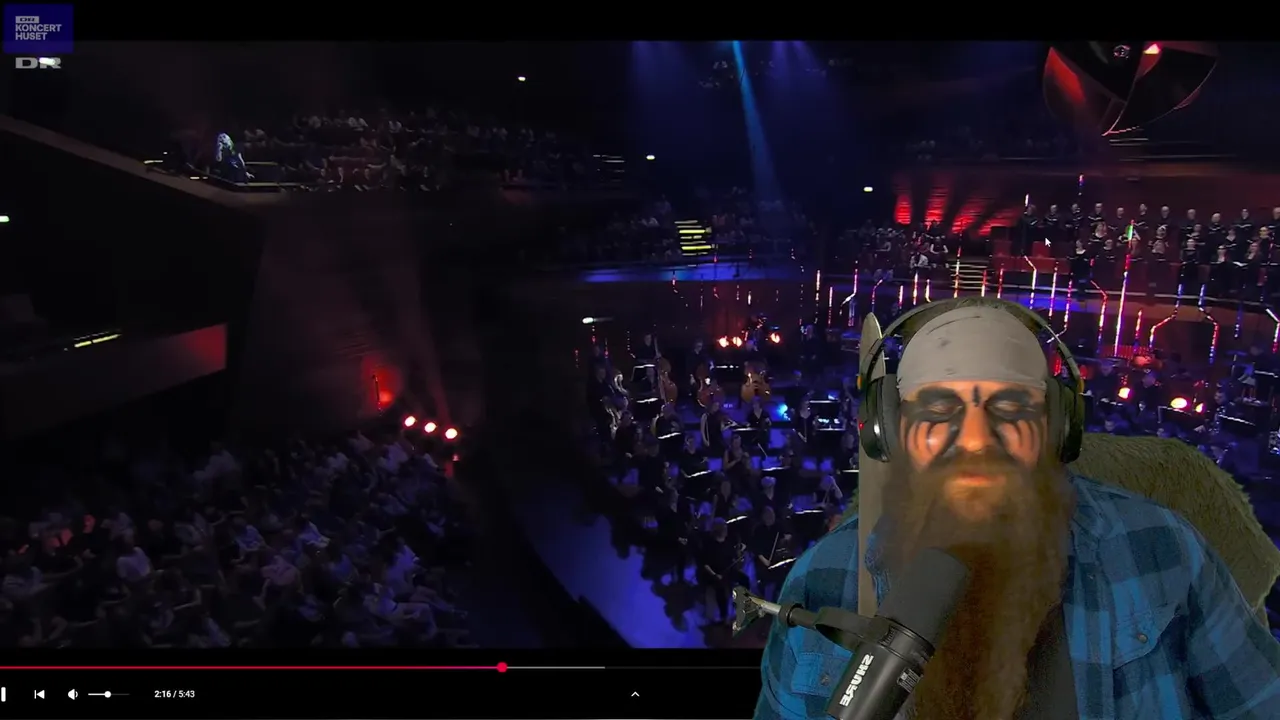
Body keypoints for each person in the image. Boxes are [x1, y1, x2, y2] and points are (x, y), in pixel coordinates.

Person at [755, 297, 1280, 720]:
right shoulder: (823, 581)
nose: (976, 439)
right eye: (938, 410)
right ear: (888, 430)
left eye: (1010, 408)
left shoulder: (1163, 550)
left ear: (1055, 427)